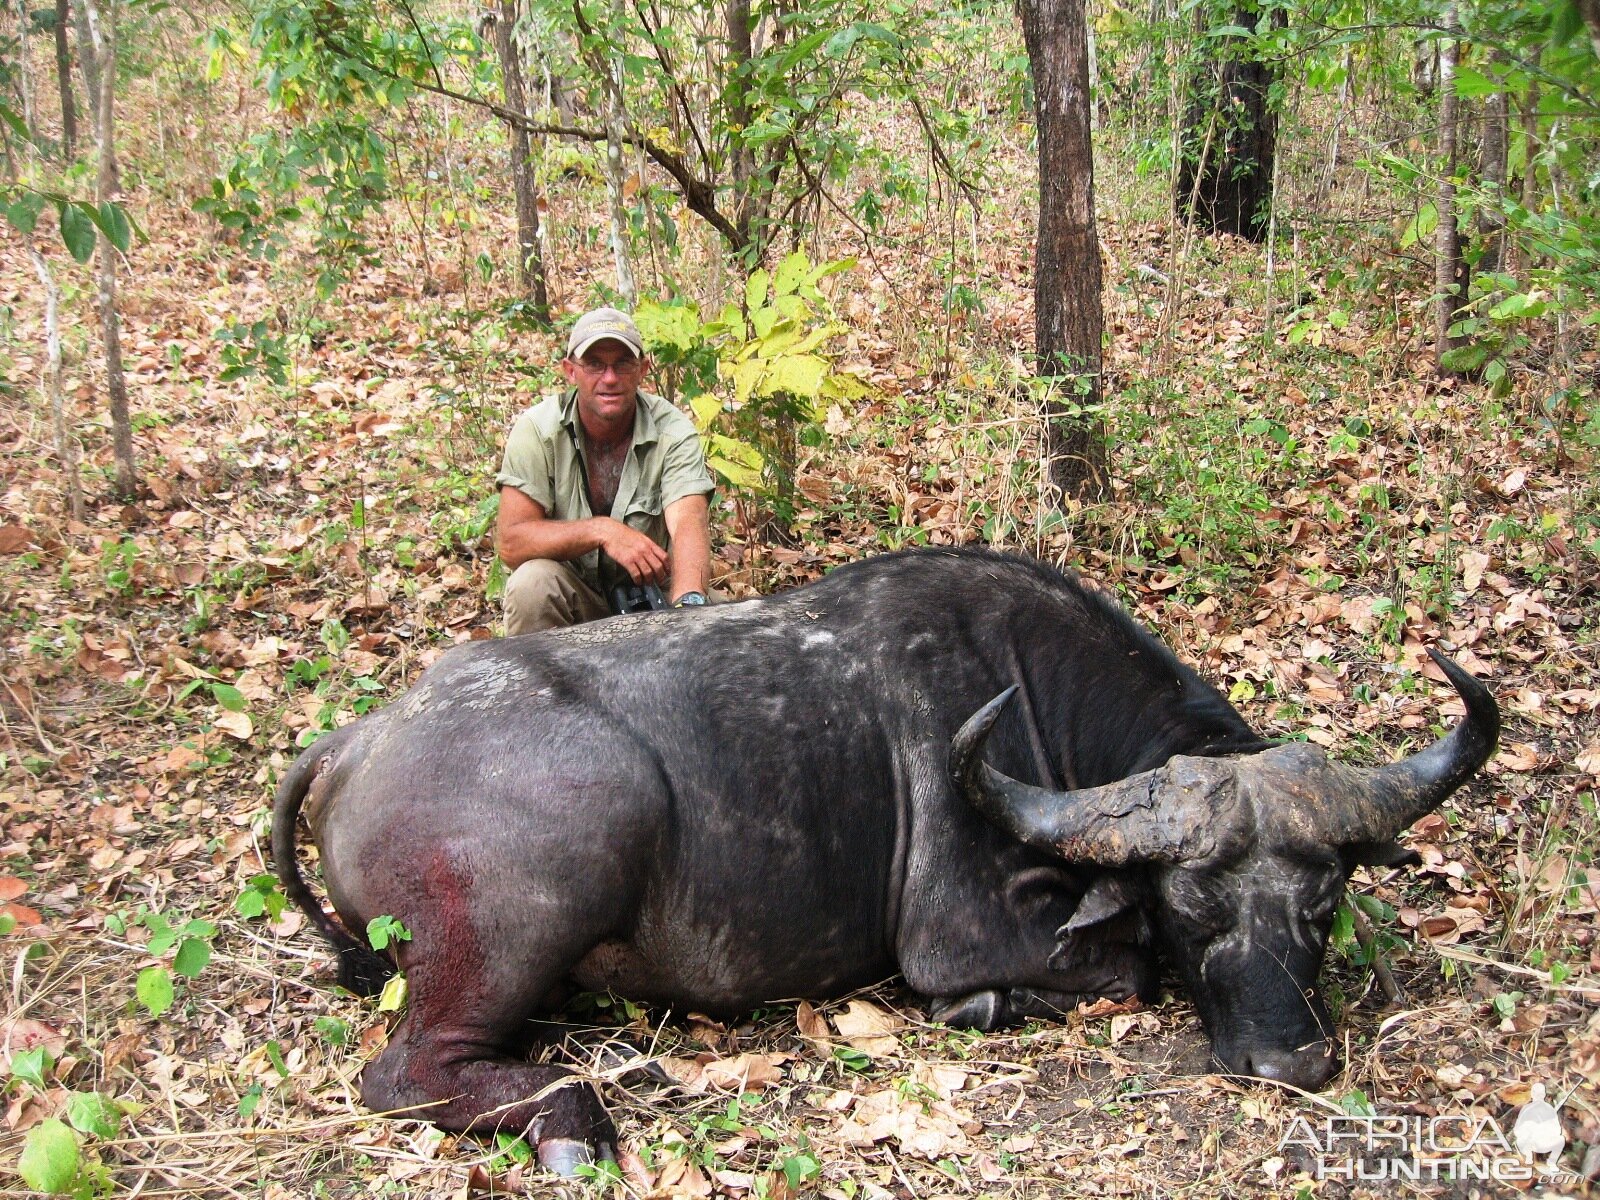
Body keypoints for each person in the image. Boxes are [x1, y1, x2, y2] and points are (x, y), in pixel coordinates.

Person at [495, 307, 715, 635]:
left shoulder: (673, 430)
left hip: (652, 596)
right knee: (532, 585)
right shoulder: (538, 431)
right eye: (595, 364)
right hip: (575, 596)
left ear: (642, 369)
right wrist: (603, 531)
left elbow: (687, 522)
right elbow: (512, 542)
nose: (609, 378)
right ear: (571, 371)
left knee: (724, 628)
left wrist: (688, 609)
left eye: (622, 364)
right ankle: (538, 686)